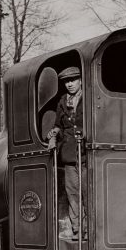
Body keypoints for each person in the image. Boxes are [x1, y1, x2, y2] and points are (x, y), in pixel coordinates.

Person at [47, 66, 86, 240]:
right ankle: (78, 230)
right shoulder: (62, 101)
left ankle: (91, 230)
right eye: (66, 81)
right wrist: (53, 134)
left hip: (87, 154)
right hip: (70, 154)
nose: (69, 84)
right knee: (73, 193)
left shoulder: (89, 98)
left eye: (73, 80)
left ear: (80, 80)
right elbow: (58, 125)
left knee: (88, 193)